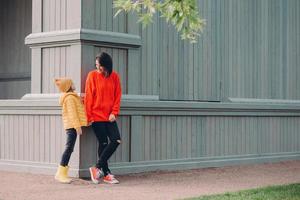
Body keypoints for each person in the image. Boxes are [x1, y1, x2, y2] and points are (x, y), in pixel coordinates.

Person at [85, 52, 122, 184]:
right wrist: (89, 116)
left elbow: (117, 95)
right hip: (96, 116)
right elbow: (89, 97)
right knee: (104, 143)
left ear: (106, 65)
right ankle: (106, 173)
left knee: (116, 140)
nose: (98, 68)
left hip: (110, 117)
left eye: (99, 66)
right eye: (96, 65)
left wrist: (114, 112)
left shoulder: (115, 77)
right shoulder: (92, 75)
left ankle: (97, 167)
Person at [54, 78, 87, 183]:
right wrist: (78, 127)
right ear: (68, 86)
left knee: (70, 148)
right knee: (69, 148)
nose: (74, 84)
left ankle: (62, 173)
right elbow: (73, 114)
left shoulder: (72, 97)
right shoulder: (69, 99)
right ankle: (60, 174)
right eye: (72, 83)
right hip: (72, 127)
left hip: (72, 126)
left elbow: (79, 110)